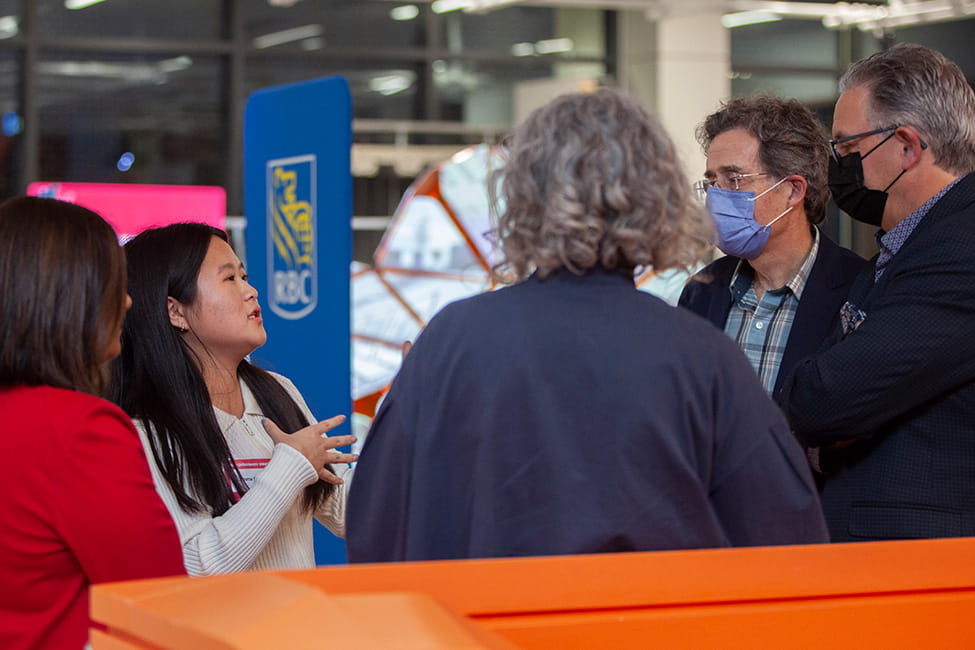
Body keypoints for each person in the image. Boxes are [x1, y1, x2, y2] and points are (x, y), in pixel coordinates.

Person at [346, 88, 828, 563]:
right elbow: (786, 542)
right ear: (657, 200)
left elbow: (377, 528)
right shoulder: (704, 359)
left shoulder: (450, 341)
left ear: (522, 196)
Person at [779, 43, 975, 542]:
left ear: (907, 147)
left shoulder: (959, 251)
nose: (840, 166)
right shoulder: (905, 250)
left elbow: (822, 396)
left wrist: (834, 426)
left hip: (918, 561)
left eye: (847, 148)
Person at [110, 223, 357, 575]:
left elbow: (350, 514)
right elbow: (197, 568)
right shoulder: (145, 430)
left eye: (244, 276)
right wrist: (289, 466)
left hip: (304, 627)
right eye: (229, 280)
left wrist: (408, 411)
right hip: (218, 632)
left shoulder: (277, 390)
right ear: (175, 311)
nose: (251, 291)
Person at [0, 197, 185, 649]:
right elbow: (164, 601)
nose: (125, 302)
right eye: (111, 283)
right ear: (66, 296)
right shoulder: (79, 431)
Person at [680, 96, 866, 400]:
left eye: (734, 179)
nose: (716, 197)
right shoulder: (702, 291)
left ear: (793, 190)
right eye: (712, 182)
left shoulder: (858, 292)